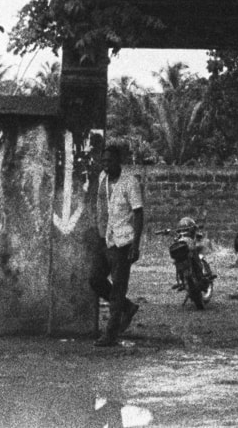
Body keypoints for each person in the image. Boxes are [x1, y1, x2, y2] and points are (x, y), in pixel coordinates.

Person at [90, 140, 144, 346]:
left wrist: (136, 245)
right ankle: (128, 307)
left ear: (118, 161)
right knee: (95, 279)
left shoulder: (130, 183)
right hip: (106, 239)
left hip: (124, 242)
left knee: (118, 288)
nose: (105, 164)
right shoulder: (102, 178)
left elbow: (139, 214)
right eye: (103, 160)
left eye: (110, 161)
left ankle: (110, 334)